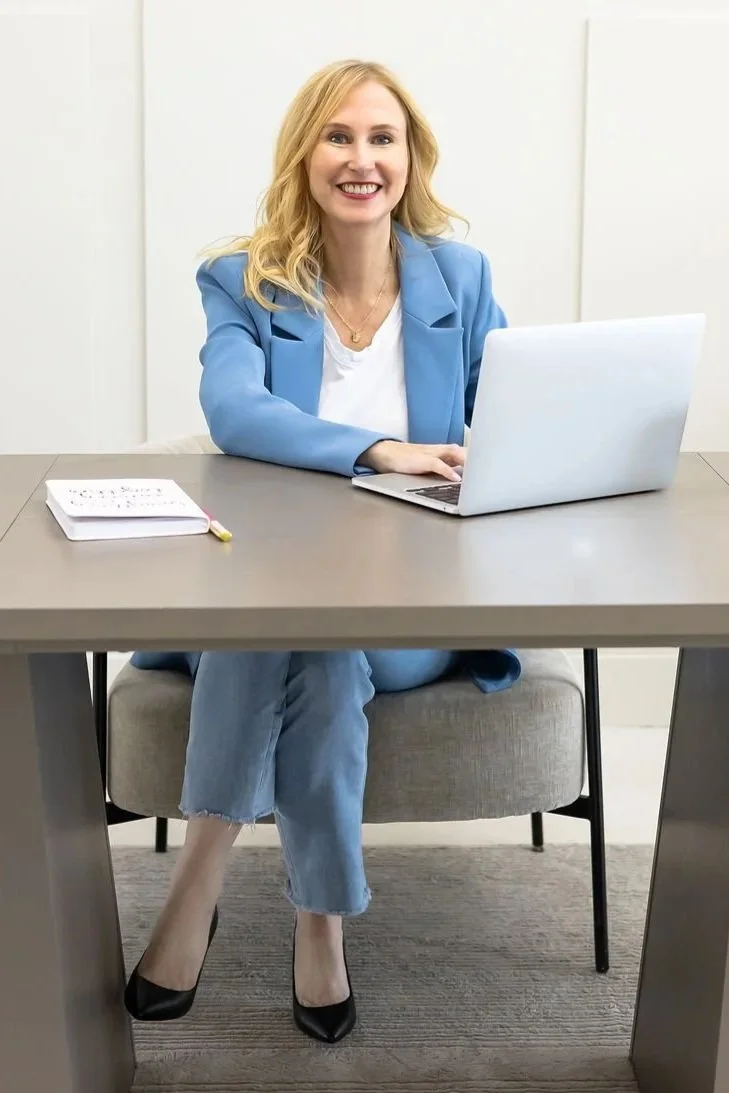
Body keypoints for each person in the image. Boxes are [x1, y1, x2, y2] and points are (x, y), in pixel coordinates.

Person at [124, 58, 521, 1043]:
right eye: (339, 136)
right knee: (312, 641)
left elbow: (510, 416)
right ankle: (318, 929)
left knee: (315, 633)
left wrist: (490, 454)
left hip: (419, 599)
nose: (362, 159)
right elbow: (233, 409)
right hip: (276, 584)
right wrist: (377, 448)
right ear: (305, 154)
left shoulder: (459, 279)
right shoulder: (243, 278)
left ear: (409, 157)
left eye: (382, 138)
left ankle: (197, 883)